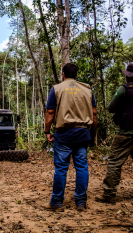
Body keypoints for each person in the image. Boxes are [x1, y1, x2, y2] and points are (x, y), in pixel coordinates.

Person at [95, 62, 133, 208]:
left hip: (125, 133)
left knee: (114, 162)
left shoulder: (124, 89)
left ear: (129, 76)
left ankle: (109, 194)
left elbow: (111, 107)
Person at [43, 63, 98, 212]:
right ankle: (80, 202)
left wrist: (47, 131)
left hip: (64, 134)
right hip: (82, 133)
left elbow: (50, 112)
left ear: (63, 74)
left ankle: (56, 202)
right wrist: (93, 133)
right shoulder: (87, 90)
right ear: (76, 75)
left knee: (61, 168)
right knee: (81, 167)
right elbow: (94, 113)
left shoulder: (57, 89)